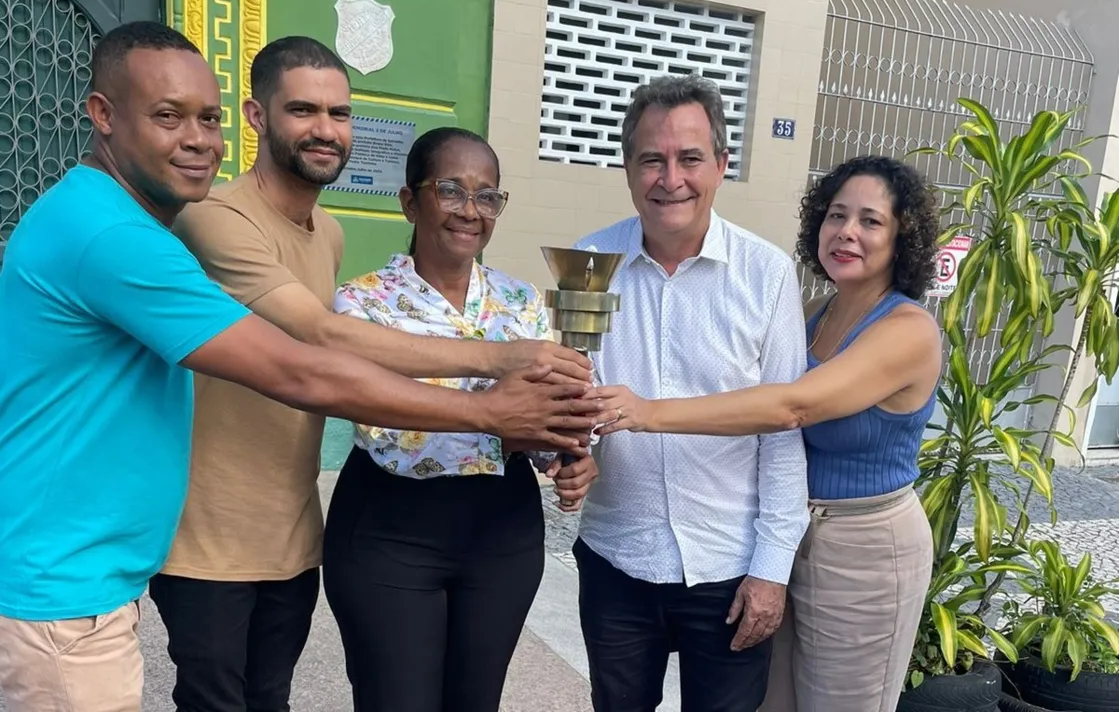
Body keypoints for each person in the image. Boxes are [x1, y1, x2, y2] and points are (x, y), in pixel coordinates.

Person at [0, 23, 599, 712]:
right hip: (102, 573)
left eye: (206, 119)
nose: (197, 140)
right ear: (103, 115)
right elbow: (309, 359)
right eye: (168, 117)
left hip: (256, 540)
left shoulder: (317, 233)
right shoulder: (146, 231)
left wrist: (556, 437)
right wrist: (491, 399)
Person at [589, 155, 942, 712]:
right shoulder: (816, 313)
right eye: (835, 215)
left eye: (870, 221)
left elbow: (790, 408)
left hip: (864, 545)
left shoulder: (908, 330)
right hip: (789, 533)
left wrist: (647, 412)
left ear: (904, 238)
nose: (846, 232)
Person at [320, 126, 598, 712]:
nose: (470, 210)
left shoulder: (522, 303)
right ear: (409, 201)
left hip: (501, 531)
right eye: (451, 190)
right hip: (390, 527)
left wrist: (567, 454)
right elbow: (379, 414)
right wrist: (499, 416)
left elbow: (546, 419)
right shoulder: (362, 303)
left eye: (487, 195)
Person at [568, 74, 810, 712]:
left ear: (722, 166)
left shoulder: (767, 274)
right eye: (651, 159)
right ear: (627, 168)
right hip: (617, 555)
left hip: (730, 565)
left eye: (689, 158)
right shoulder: (590, 265)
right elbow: (574, 400)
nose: (670, 177)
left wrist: (772, 569)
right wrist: (563, 450)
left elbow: (784, 429)